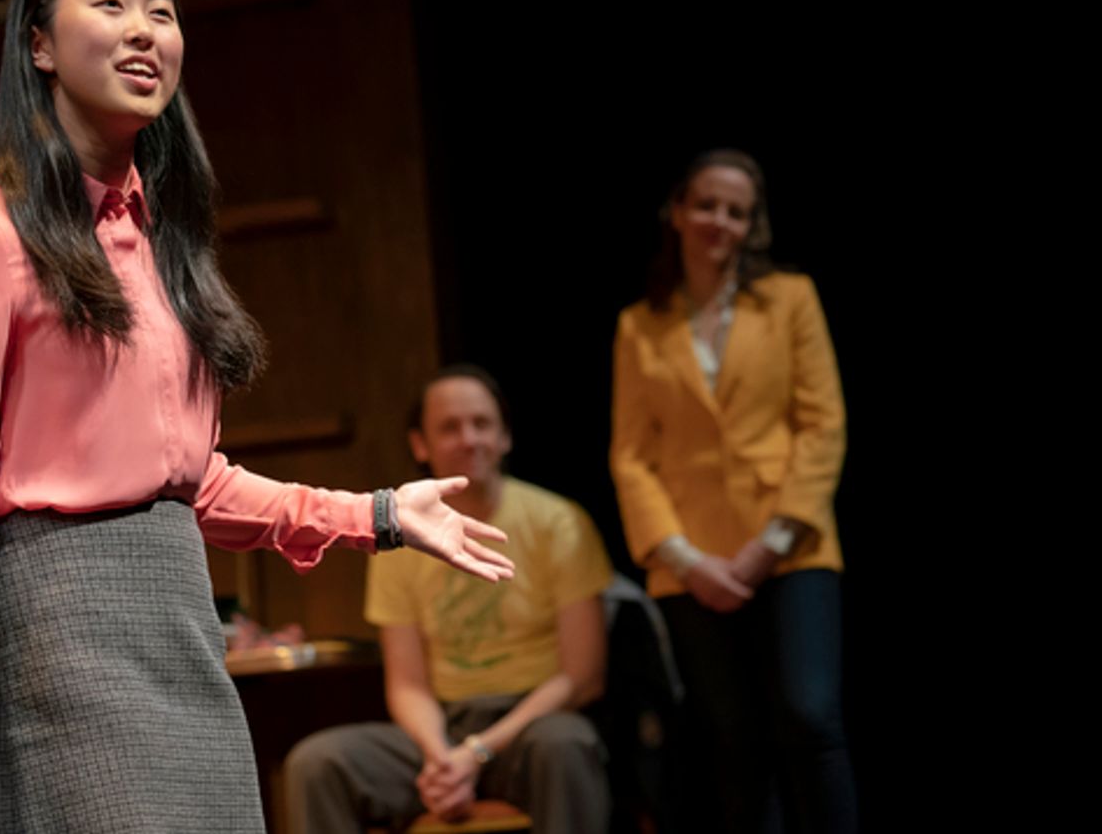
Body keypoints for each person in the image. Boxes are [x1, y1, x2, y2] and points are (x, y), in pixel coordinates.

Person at [0, 0, 513, 834]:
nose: (144, 30)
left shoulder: (161, 248)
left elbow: (195, 482)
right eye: (111, 5)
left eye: (162, 12)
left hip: (181, 620)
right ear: (39, 45)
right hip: (60, 625)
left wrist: (378, 514)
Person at [609, 149, 855, 833]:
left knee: (809, 715)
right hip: (691, 560)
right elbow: (631, 456)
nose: (720, 220)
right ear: (678, 212)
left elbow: (823, 424)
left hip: (791, 545)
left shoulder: (790, 298)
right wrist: (686, 559)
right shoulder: (641, 324)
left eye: (737, 211)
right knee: (733, 737)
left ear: (753, 225)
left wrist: (770, 542)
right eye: (708, 205)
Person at [286, 365, 613, 834]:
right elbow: (407, 685)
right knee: (318, 763)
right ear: (420, 445)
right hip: (443, 727)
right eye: (450, 428)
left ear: (505, 437)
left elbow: (582, 677)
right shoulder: (398, 537)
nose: (469, 439)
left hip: (532, 725)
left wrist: (477, 753)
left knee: (566, 746)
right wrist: (443, 759)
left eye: (482, 424)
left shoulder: (559, 522)